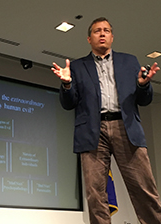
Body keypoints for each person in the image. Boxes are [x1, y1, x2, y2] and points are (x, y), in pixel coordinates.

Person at [51, 17, 161, 224]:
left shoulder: (129, 61)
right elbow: (69, 103)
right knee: (95, 195)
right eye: (97, 31)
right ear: (89, 38)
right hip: (92, 131)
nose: (102, 34)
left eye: (106, 30)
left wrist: (144, 85)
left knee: (144, 188)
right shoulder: (77, 66)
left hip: (126, 128)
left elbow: (145, 100)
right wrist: (66, 85)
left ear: (112, 36)